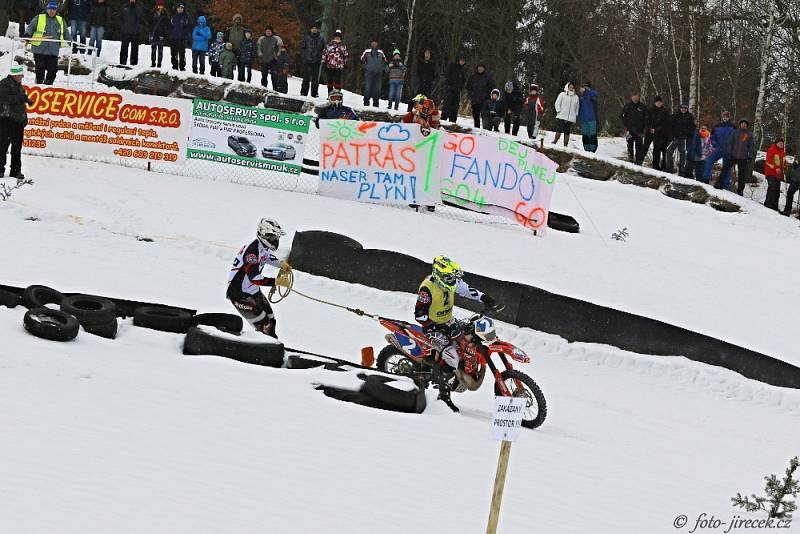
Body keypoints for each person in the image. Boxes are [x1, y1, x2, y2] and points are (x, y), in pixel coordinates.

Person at [414, 256, 496, 409]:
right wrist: (440, 328)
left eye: (453, 277)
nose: (453, 280)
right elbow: (420, 315)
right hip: (432, 327)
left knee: (469, 338)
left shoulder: (450, 282)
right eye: (449, 277)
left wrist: (485, 298)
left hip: (448, 320)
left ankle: (466, 372)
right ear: (439, 275)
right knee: (453, 356)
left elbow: (467, 290)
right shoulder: (427, 289)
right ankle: (443, 396)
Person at [227, 219, 291, 339]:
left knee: (271, 318)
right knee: (264, 324)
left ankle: (271, 343)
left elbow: (267, 257)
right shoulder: (251, 252)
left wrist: (281, 264)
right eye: (274, 238)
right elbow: (254, 278)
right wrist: (276, 282)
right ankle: (263, 348)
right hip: (239, 293)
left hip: (252, 290)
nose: (276, 241)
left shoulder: (262, 247)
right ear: (265, 235)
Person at [24, 1, 70, 85]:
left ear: (56, 10)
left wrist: (72, 43)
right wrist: (27, 34)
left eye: (54, 9)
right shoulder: (39, 17)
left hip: (53, 50)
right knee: (40, 68)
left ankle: (48, 84)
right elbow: (31, 27)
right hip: (39, 49)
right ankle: (39, 83)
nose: (52, 11)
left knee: (53, 69)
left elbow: (66, 33)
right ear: (47, 9)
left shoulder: (60, 20)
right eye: (50, 9)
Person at [0, 64, 31, 180]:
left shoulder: (19, 86)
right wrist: (19, 98)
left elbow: (21, 104)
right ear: (14, 75)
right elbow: (3, 100)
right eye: (20, 75)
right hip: (6, 120)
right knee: (2, 147)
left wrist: (25, 117)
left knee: (17, 148)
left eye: (22, 75)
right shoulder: (4, 84)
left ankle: (15, 171)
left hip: (18, 122)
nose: (22, 77)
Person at [719, 119, 755, 195]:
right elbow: (729, 143)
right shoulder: (735, 132)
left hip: (743, 158)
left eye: (745, 124)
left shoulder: (750, 134)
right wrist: (729, 152)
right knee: (725, 169)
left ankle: (740, 191)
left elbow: (751, 146)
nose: (743, 125)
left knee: (742, 175)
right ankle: (719, 183)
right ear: (740, 125)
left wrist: (750, 156)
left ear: (747, 126)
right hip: (733, 155)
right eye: (742, 123)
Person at [704, 111, 735, 188]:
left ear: (729, 117)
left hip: (728, 151)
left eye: (727, 116)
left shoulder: (733, 127)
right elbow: (712, 137)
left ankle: (725, 186)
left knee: (726, 167)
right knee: (709, 160)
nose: (725, 117)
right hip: (718, 149)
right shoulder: (717, 126)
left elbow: (736, 139)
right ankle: (705, 179)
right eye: (724, 116)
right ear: (722, 117)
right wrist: (715, 144)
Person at [665, 102, 695, 176]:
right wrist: (671, 136)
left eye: (685, 108)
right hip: (675, 138)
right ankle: (669, 168)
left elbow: (692, 127)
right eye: (682, 108)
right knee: (669, 151)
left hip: (684, 139)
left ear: (687, 109)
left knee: (683, 154)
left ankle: (682, 171)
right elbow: (670, 126)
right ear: (680, 108)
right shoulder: (675, 115)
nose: (683, 109)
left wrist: (688, 134)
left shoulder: (690, 117)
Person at [642, 95, 670, 170]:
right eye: (657, 102)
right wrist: (650, 128)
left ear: (662, 103)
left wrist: (657, 129)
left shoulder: (665, 111)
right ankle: (639, 161)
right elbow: (646, 120)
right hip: (649, 132)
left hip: (659, 133)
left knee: (657, 150)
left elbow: (666, 123)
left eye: (660, 102)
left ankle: (656, 166)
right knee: (645, 147)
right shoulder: (650, 110)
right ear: (655, 102)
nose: (659, 103)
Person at [620, 91, 647, 164]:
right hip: (629, 130)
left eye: (636, 97)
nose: (635, 98)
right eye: (634, 97)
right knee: (630, 147)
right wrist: (625, 125)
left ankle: (638, 163)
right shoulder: (627, 106)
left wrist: (644, 128)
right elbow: (622, 116)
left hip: (639, 131)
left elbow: (646, 118)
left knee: (639, 148)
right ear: (631, 97)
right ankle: (630, 162)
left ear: (639, 97)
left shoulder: (643, 107)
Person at [299, 23, 324, 98]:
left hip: (316, 61)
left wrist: (321, 58)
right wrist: (304, 57)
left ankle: (314, 93)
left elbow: (324, 49)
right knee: (306, 78)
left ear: (317, 30)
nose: (314, 29)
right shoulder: (306, 38)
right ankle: (304, 92)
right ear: (311, 29)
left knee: (315, 79)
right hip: (307, 61)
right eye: (313, 28)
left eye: (315, 28)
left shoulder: (321, 39)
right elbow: (302, 48)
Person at [360, 38, 386, 107]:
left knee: (377, 89)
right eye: (373, 42)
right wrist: (365, 66)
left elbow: (384, 62)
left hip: (378, 74)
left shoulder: (381, 52)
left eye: (375, 42)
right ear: (371, 43)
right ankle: (366, 103)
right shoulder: (367, 51)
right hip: (369, 73)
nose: (374, 43)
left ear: (377, 43)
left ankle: (376, 104)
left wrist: (383, 69)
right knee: (368, 88)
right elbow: (361, 60)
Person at [466, 63, 493, 129]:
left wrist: (488, 97)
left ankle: (486, 129)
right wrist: (471, 94)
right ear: (477, 68)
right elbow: (468, 87)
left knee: (485, 115)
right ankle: (476, 128)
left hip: (485, 100)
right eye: (479, 67)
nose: (480, 69)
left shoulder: (488, 77)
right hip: (475, 99)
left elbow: (492, 88)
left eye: (482, 67)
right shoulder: (473, 77)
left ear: (484, 69)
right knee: (475, 115)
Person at [321, 29, 347, 95]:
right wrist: (323, 62)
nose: (337, 38)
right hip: (330, 65)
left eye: (338, 37)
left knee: (337, 80)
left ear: (340, 38)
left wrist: (346, 63)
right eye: (336, 37)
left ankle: (337, 94)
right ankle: (330, 94)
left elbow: (345, 55)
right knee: (330, 80)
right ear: (334, 37)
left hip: (339, 66)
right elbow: (324, 53)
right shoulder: (329, 45)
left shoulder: (343, 46)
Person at [552, 82, 579, 146]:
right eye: (570, 87)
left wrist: (576, 114)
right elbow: (557, 103)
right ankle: (555, 141)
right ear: (568, 87)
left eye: (572, 87)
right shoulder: (562, 94)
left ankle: (565, 144)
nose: (571, 88)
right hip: (561, 115)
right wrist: (558, 111)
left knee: (567, 131)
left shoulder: (576, 97)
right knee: (559, 129)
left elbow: (577, 107)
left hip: (570, 118)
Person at [119, 0, 145, 66]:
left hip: (135, 32)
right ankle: (122, 63)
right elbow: (120, 17)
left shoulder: (139, 7)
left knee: (134, 49)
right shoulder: (125, 6)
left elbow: (141, 17)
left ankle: (133, 64)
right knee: (124, 48)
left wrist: (139, 28)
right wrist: (122, 26)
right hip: (126, 31)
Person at [762, 137, 785, 210]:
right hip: (771, 172)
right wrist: (776, 168)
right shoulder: (772, 150)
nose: (781, 144)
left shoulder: (782, 152)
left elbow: (783, 162)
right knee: (772, 187)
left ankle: (775, 206)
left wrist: (785, 166)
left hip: (778, 174)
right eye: (780, 143)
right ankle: (768, 204)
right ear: (776, 143)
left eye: (782, 143)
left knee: (777, 190)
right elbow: (768, 161)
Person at [442, 55, 466, 123]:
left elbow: (463, 81)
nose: (462, 62)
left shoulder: (463, 70)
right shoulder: (452, 66)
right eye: (461, 60)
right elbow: (447, 76)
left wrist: (460, 88)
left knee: (455, 107)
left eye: (463, 61)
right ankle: (443, 119)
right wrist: (449, 85)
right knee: (447, 105)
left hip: (457, 91)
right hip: (449, 89)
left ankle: (453, 121)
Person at [168, 2, 190, 71]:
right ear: (176, 9)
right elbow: (169, 27)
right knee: (173, 54)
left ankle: (182, 67)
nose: (180, 9)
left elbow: (189, 28)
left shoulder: (186, 17)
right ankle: (174, 67)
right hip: (173, 39)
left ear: (183, 9)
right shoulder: (173, 16)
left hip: (182, 39)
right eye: (179, 8)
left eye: (181, 8)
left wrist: (186, 37)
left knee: (182, 54)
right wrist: (170, 35)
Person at [577, 82, 598, 152]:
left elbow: (596, 93)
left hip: (592, 119)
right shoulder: (581, 98)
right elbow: (578, 108)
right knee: (585, 136)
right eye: (584, 87)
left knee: (592, 135)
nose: (585, 88)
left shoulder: (592, 96)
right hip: (583, 120)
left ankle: (592, 150)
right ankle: (586, 150)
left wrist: (587, 91)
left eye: (587, 87)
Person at [149, 0, 170, 68]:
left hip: (161, 35)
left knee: (160, 51)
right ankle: (153, 63)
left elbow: (167, 25)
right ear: (156, 5)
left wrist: (164, 34)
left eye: (161, 5)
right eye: (159, 5)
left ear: (163, 6)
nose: (160, 7)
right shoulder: (152, 13)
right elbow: (150, 24)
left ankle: (159, 64)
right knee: (153, 50)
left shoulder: (165, 14)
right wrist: (150, 33)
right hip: (154, 34)